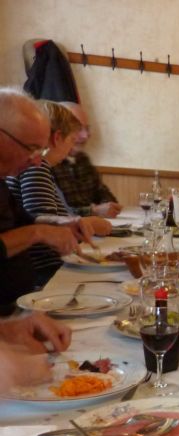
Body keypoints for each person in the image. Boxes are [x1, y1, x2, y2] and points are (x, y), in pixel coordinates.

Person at [0, 87, 89, 313]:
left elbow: (24, 220)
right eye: (32, 149)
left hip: (19, 306)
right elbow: (29, 231)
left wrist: (59, 223)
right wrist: (37, 233)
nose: (37, 162)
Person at [6, 100, 110, 285]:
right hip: (43, 272)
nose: (70, 150)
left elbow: (31, 219)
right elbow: (40, 225)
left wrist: (70, 221)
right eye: (71, 140)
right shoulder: (36, 167)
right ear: (57, 137)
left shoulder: (38, 167)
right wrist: (88, 222)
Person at [52, 101, 122, 218]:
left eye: (87, 128)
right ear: (58, 132)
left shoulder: (83, 159)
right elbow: (56, 214)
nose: (86, 135)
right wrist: (93, 211)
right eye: (78, 128)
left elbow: (104, 194)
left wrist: (107, 206)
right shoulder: (47, 164)